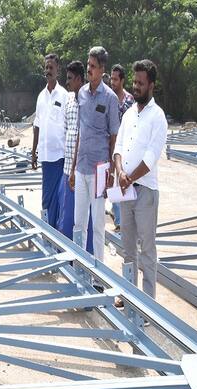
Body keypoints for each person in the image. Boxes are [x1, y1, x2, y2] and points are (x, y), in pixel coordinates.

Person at [113, 60, 167, 303]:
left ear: (151, 85)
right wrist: (120, 173)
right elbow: (119, 147)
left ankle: (147, 306)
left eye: (141, 83)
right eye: (134, 82)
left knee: (146, 251)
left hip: (144, 192)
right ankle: (128, 295)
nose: (136, 87)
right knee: (127, 249)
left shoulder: (158, 117)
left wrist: (129, 178)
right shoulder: (129, 114)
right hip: (125, 190)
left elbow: (150, 158)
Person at [72, 46, 120, 264]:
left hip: (100, 169)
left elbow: (113, 136)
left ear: (102, 69)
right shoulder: (81, 93)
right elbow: (79, 133)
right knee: (78, 223)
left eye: (93, 66)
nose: (89, 69)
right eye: (88, 65)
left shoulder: (110, 98)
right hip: (81, 167)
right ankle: (80, 268)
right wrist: (72, 168)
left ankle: (99, 276)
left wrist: (110, 171)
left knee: (98, 225)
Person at [56, 61, 93, 254]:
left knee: (86, 219)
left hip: (83, 169)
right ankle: (69, 256)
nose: (67, 82)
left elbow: (86, 135)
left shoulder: (89, 100)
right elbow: (67, 130)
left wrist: (74, 170)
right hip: (68, 167)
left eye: (70, 78)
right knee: (67, 216)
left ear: (79, 79)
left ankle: (87, 256)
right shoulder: (69, 100)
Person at [32, 54, 68, 228]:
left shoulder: (64, 95)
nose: (48, 71)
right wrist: (33, 151)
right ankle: (48, 232)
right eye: (46, 68)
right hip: (46, 157)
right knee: (47, 199)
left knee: (60, 198)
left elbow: (70, 127)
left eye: (51, 68)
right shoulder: (40, 96)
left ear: (58, 70)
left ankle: (58, 235)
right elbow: (37, 125)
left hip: (61, 156)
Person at [108, 64, 135, 232]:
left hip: (124, 147)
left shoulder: (129, 100)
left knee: (121, 180)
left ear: (122, 80)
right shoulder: (108, 97)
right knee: (110, 180)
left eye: (115, 79)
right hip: (109, 144)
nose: (112, 82)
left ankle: (120, 220)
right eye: (111, 79)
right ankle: (115, 210)